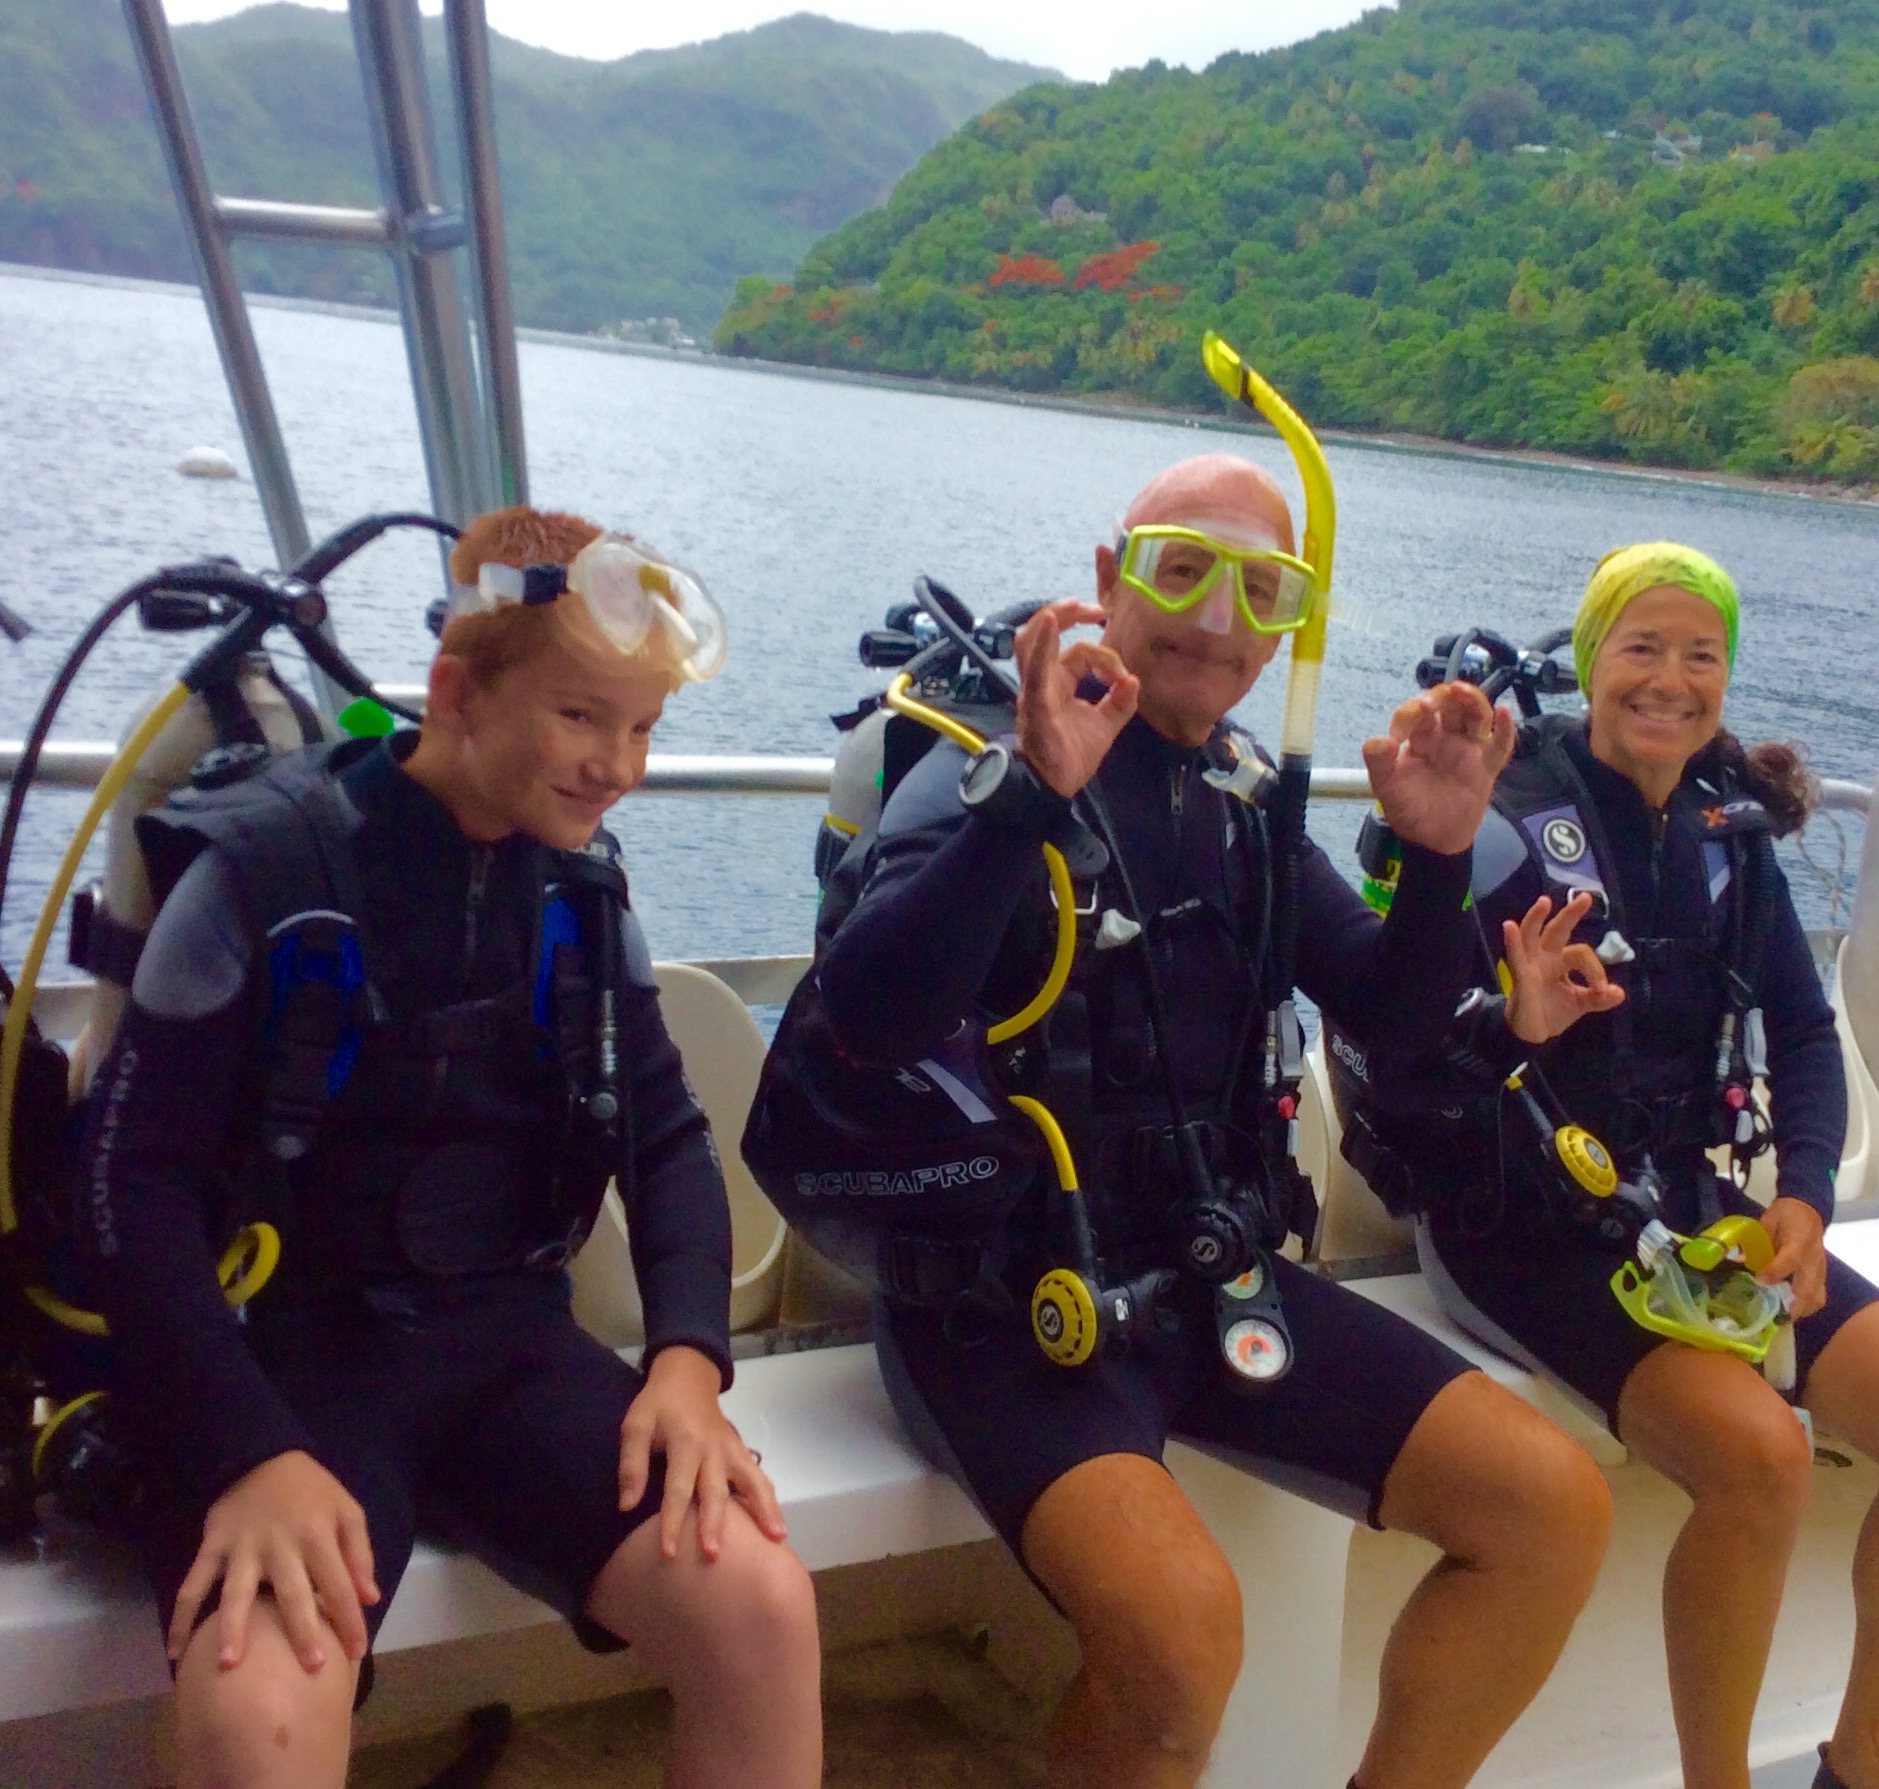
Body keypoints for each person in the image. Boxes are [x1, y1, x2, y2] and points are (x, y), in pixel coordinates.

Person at [795, 453, 1614, 1789]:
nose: (1217, 615)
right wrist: (1025, 800)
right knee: (1181, 1642)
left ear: (1287, 616)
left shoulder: (1239, 801)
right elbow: (868, 1015)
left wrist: (1438, 854)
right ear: (1111, 580)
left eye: (1260, 585)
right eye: (1180, 567)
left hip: (1204, 1272)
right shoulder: (983, 773)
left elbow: (1391, 1009)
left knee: (1548, 1510)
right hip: (1007, 1307)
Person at [77, 506, 821, 1789]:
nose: (618, 767)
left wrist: (689, 1363)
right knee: (262, 1713)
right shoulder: (264, 873)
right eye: (582, 716)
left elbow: (671, 1137)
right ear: (456, 690)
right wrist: (243, 1451)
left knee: (758, 1604)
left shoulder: (582, 894)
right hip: (280, 1363)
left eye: (643, 728)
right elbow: (124, 1189)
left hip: (508, 1347)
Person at [1354, 543, 1876, 1789]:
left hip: (1690, 1216)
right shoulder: (1500, 820)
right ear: (1593, 661)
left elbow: (1803, 1032)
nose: (1671, 679)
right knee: (1761, 1459)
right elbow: (1399, 1035)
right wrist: (1510, 1014)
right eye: (1641, 647)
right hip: (1514, 1222)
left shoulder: (1723, 830)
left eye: (1702, 655)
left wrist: (1801, 1195)